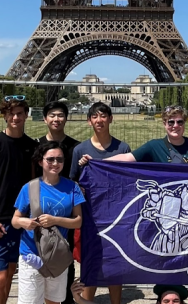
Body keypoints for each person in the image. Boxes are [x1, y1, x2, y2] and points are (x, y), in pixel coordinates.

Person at [78, 105, 188, 304]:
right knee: (164, 259)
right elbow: (127, 158)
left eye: (179, 122)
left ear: (184, 123)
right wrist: (99, 162)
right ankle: (168, 297)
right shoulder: (154, 146)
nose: (175, 126)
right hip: (168, 213)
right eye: (171, 122)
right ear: (164, 124)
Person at [0, 97, 40, 304]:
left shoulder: (32, 146)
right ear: (4, 115)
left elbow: (33, 183)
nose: (15, 117)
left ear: (26, 115)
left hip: (22, 218)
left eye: (20, 113)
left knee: (11, 271)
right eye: (11, 113)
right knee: (1, 276)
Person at [69, 102, 131, 304]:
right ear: (89, 121)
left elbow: (130, 180)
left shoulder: (122, 148)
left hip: (115, 213)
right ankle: (87, 302)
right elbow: (73, 184)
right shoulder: (80, 151)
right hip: (90, 215)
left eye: (103, 115)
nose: (99, 120)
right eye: (94, 116)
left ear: (111, 119)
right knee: (90, 261)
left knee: (115, 260)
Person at [13, 141, 85, 304]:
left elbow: (78, 221)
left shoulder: (72, 187)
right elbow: (15, 220)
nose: (55, 163)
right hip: (31, 255)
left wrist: (54, 220)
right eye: (50, 159)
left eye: (60, 160)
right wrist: (24, 222)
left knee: (53, 301)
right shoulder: (29, 188)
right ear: (41, 161)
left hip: (57, 255)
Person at [38, 100, 80, 303]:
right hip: (40, 207)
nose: (56, 119)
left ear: (66, 118)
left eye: (60, 115)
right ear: (45, 118)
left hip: (65, 208)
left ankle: (66, 298)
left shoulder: (76, 148)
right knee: (39, 253)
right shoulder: (35, 145)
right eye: (52, 115)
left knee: (65, 253)